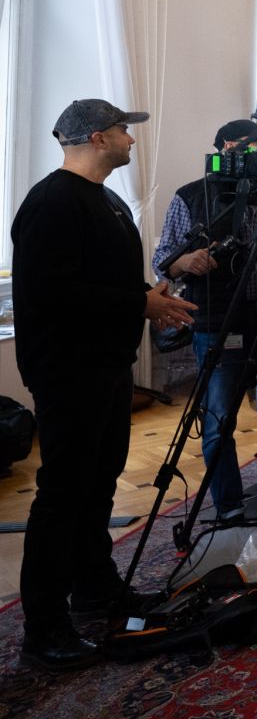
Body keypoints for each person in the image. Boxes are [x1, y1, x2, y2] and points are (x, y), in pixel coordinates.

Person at [10, 98, 195, 671]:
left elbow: (109, 277)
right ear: (95, 137)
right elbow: (52, 292)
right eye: (122, 131)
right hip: (69, 369)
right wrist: (137, 302)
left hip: (106, 366)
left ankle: (94, 590)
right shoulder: (52, 201)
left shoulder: (105, 200)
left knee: (98, 485)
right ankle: (44, 628)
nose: (130, 140)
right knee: (64, 495)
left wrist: (151, 301)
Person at [152, 118, 257, 522]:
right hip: (218, 321)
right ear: (228, 146)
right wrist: (184, 261)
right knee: (218, 420)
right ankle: (229, 507)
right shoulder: (191, 196)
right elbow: (163, 260)